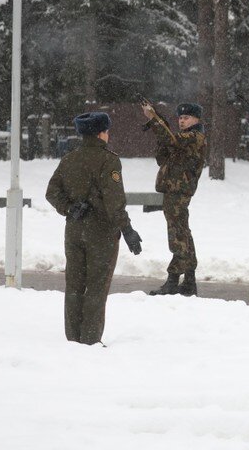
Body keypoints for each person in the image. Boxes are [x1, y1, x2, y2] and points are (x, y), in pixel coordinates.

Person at [45, 112, 142, 344]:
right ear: (101, 133)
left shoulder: (69, 159)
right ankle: (89, 340)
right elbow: (114, 201)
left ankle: (73, 338)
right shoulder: (109, 160)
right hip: (102, 233)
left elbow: (51, 192)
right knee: (97, 287)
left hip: (74, 230)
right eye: (107, 131)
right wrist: (127, 229)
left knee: (75, 286)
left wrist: (69, 208)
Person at [140, 101, 207, 296]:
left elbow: (172, 140)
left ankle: (173, 279)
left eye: (186, 118)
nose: (182, 121)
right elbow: (163, 156)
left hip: (180, 190)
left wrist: (154, 119)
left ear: (196, 119)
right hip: (173, 190)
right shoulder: (182, 137)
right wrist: (158, 121)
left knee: (177, 234)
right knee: (183, 233)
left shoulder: (195, 136)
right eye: (180, 118)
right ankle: (189, 280)